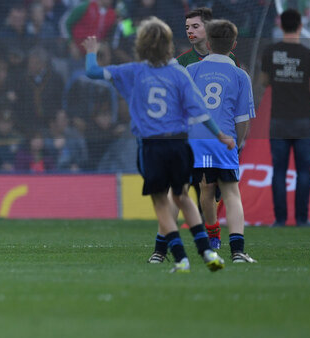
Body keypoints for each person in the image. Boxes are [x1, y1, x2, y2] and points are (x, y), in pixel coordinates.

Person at [83, 20, 233, 273]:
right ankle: (207, 252)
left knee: (162, 204)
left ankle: (181, 259)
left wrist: (90, 51)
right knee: (183, 197)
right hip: (178, 143)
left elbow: (93, 72)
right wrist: (221, 136)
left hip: (152, 147)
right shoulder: (178, 73)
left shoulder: (133, 71)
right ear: (168, 46)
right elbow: (200, 111)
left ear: (140, 46)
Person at [187, 20, 257, 263]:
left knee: (205, 189)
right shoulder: (240, 75)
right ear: (234, 45)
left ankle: (213, 236)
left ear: (207, 43)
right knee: (231, 193)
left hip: (198, 141)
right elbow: (242, 118)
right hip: (225, 140)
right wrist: (238, 144)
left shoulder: (193, 71)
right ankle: (237, 250)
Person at [258, 9, 310, 228]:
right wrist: (303, 93)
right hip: (303, 119)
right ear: (300, 26)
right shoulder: (309, 55)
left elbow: (264, 81)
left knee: (279, 171)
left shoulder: (271, 52)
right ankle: (303, 219)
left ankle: (280, 219)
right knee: (304, 171)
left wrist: (282, 81)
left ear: (280, 26)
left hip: (279, 119)